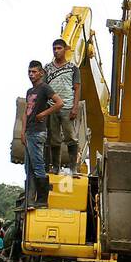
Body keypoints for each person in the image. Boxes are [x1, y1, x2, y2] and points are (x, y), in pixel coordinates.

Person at [22, 60, 63, 208]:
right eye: (29, 72)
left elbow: (59, 102)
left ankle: (42, 200)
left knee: (38, 166)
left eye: (34, 72)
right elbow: (26, 112)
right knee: (28, 168)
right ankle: (29, 200)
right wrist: (22, 131)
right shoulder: (29, 91)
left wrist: (43, 114)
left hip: (38, 132)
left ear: (41, 73)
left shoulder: (44, 88)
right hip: (29, 132)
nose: (31, 75)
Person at [44, 37, 83, 174]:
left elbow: (77, 88)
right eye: (54, 49)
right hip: (51, 107)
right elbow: (43, 87)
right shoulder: (47, 68)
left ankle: (73, 168)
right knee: (54, 138)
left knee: (71, 138)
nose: (56, 51)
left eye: (59, 48)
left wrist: (75, 107)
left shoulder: (73, 68)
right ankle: (56, 167)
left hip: (67, 107)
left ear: (65, 50)